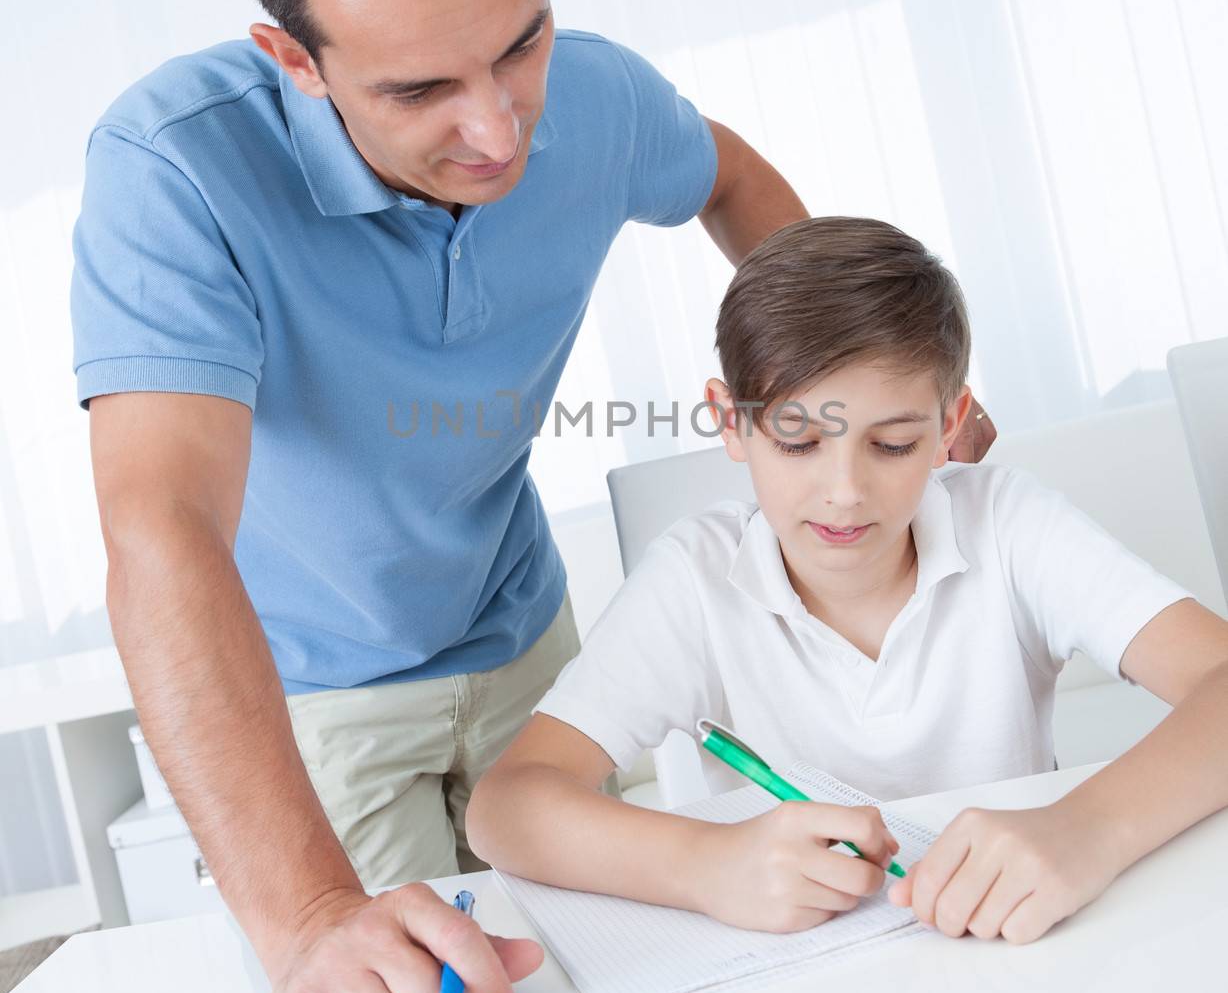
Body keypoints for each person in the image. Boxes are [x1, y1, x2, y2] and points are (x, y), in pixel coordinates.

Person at [73, 0, 987, 993]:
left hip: (520, 632)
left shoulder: (598, 101)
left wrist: (861, 387)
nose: (499, 131)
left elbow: (723, 169)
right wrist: (312, 912)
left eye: (520, 45)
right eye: (418, 91)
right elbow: (160, 528)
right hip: (314, 693)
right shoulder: (176, 166)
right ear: (296, 60)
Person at [468, 216, 1228, 946]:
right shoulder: (695, 579)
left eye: (892, 445)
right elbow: (506, 809)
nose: (844, 491)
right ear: (731, 423)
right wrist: (706, 863)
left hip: (1009, 949)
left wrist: (1085, 827)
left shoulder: (1008, 525)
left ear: (948, 424)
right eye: (797, 441)